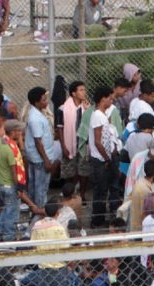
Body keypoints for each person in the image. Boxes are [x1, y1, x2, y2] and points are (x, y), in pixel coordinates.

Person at [88, 85, 120, 230]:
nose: (111, 101)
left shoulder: (102, 115)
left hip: (103, 158)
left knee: (102, 190)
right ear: (103, 99)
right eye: (109, 99)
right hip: (100, 160)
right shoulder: (97, 116)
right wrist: (107, 158)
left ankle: (99, 218)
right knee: (100, 191)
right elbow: (97, 141)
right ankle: (97, 220)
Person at [25, 86, 57, 208]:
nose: (46, 102)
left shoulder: (37, 114)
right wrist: (46, 160)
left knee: (35, 186)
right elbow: (38, 141)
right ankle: (40, 211)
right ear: (36, 102)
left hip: (37, 157)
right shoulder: (35, 118)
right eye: (44, 100)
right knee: (40, 188)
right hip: (40, 159)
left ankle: (34, 210)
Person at [57, 80, 89, 196]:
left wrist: (88, 111)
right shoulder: (63, 109)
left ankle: (82, 195)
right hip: (69, 144)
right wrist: (63, 146)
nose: (84, 92)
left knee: (83, 172)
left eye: (84, 90)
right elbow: (60, 128)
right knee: (69, 172)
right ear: (74, 93)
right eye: (81, 90)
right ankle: (69, 195)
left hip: (82, 144)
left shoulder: (86, 108)